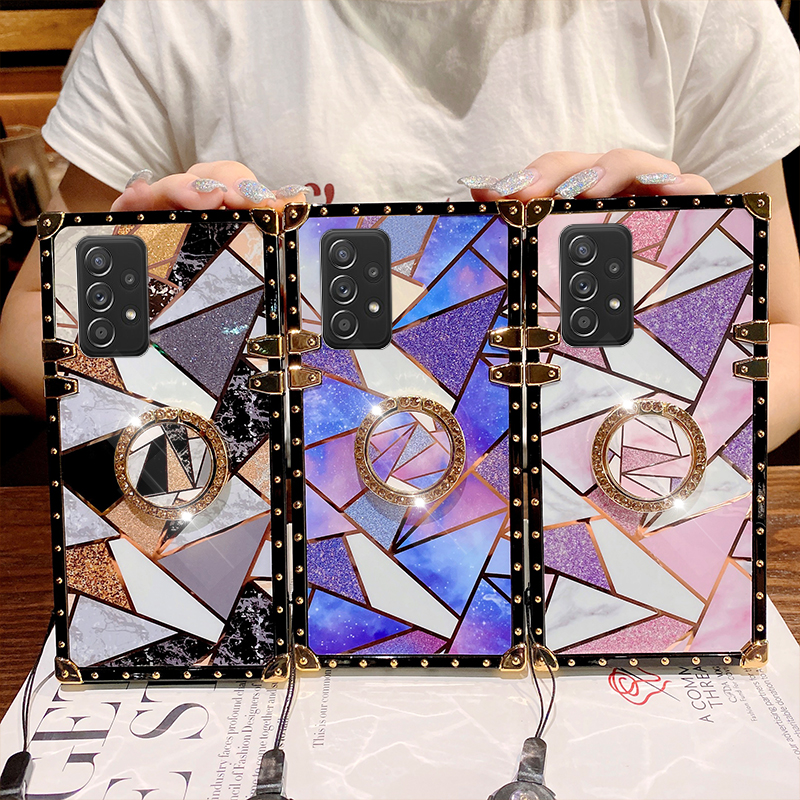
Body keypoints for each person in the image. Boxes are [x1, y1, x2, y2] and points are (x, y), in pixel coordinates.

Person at [1, 0, 798, 447]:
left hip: (599, 545)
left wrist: (688, 315)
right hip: (256, 564)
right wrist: (161, 330)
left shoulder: (707, 12)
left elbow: (787, 328)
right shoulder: (169, 18)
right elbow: (31, 328)